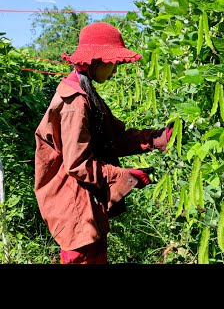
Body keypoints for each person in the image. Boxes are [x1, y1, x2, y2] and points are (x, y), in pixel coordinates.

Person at [34, 22, 173, 264]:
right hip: (73, 208)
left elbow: (113, 139)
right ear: (94, 61)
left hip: (82, 202)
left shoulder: (84, 91)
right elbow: (78, 165)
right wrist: (122, 175)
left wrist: (155, 139)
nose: (116, 71)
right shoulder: (75, 103)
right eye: (114, 64)